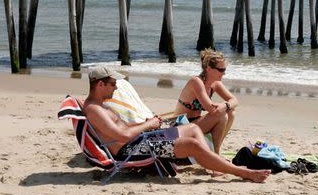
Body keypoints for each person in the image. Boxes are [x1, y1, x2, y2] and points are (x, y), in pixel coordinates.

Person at [83, 66, 270, 182]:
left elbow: (123, 130)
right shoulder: (95, 110)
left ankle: (214, 165)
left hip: (139, 140)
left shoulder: (101, 106)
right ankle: (240, 172)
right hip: (133, 150)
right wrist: (148, 126)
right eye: (112, 84)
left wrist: (148, 123)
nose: (116, 87)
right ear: (100, 85)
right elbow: (122, 137)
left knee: (193, 128)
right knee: (192, 144)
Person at [174, 49, 237, 156]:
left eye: (224, 69)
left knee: (231, 113)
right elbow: (211, 110)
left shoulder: (215, 83)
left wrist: (226, 105)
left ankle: (215, 150)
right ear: (208, 69)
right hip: (180, 127)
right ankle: (215, 155)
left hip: (196, 123)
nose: (224, 73)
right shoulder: (196, 82)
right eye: (220, 70)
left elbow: (235, 100)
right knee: (222, 115)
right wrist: (224, 106)